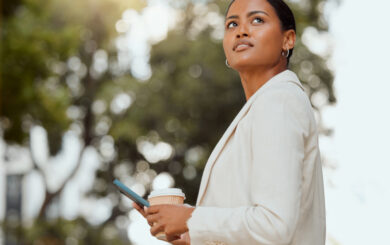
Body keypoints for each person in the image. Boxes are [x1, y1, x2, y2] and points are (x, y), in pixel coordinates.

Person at [133, 0, 326, 244]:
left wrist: (191, 218)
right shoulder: (262, 106)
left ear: (287, 39)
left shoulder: (279, 101)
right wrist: (190, 234)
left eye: (257, 20)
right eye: (232, 24)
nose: (241, 30)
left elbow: (275, 225)